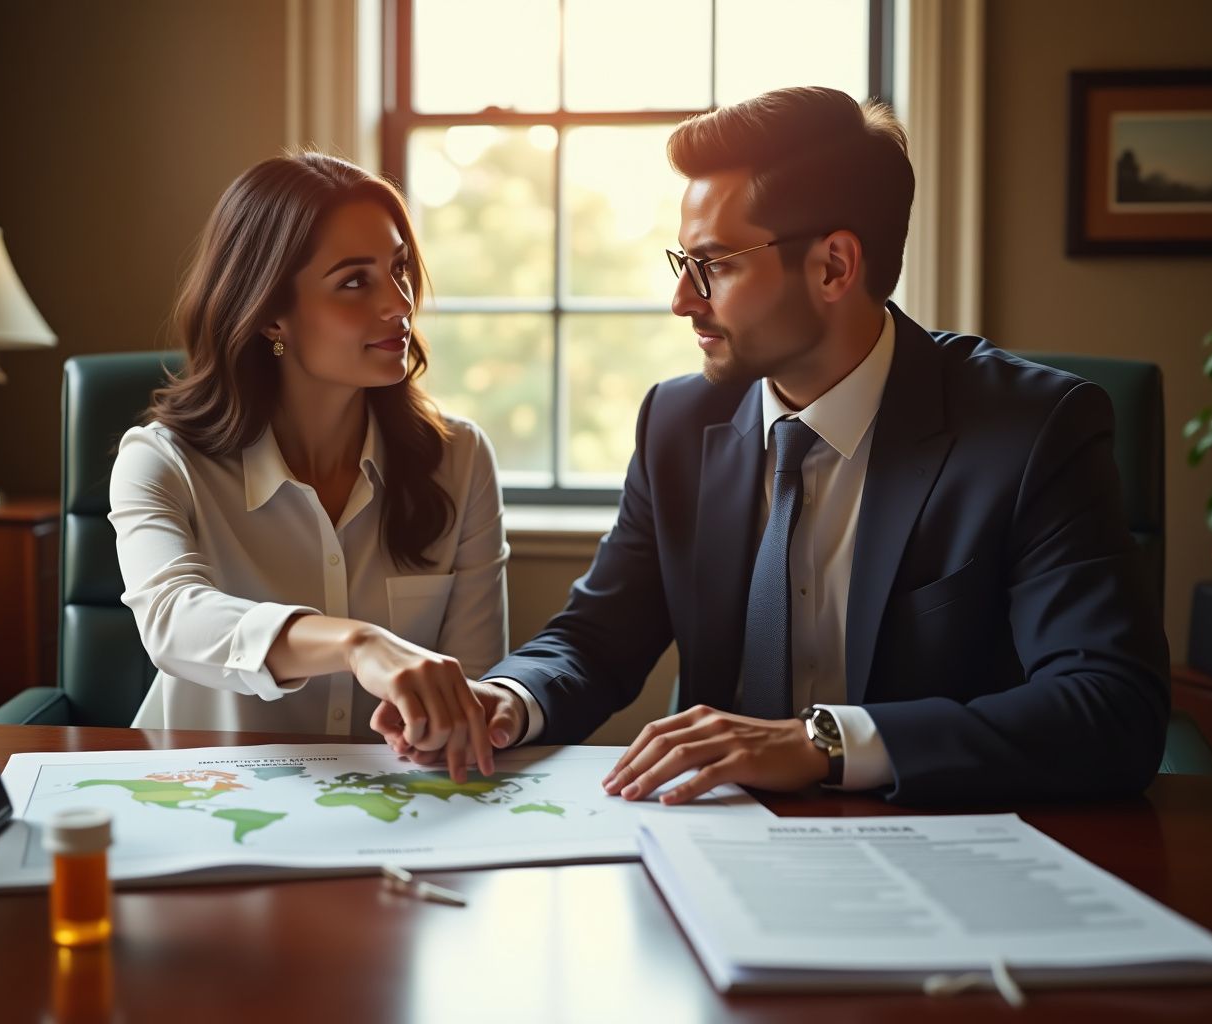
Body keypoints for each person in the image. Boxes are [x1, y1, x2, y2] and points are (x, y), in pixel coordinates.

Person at [375, 87, 1169, 804]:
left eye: (712, 266)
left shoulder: (1031, 430)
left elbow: (1110, 707)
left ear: (833, 266)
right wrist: (508, 699)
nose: (681, 299)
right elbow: (597, 638)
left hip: (939, 840)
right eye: (683, 263)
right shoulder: (676, 423)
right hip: (711, 835)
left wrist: (823, 744)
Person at [109, 152, 508, 782]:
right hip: (204, 798)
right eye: (354, 282)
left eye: (398, 269)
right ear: (271, 311)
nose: (398, 304)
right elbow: (172, 619)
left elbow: (472, 683)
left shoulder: (460, 459)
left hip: (398, 802)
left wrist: (446, 722)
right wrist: (357, 643)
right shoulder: (161, 462)